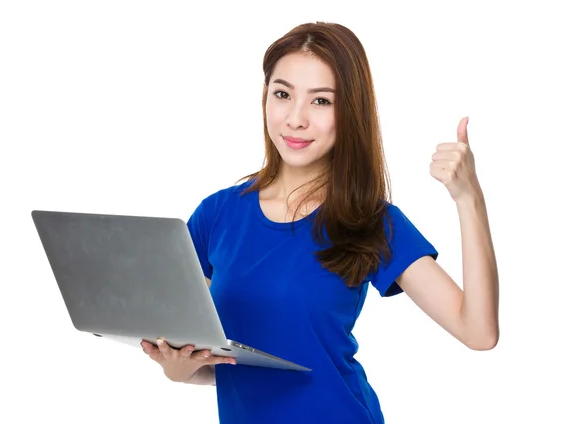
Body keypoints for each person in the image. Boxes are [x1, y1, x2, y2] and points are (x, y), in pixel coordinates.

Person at [140, 21, 499, 423]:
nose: (296, 119)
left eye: (321, 101)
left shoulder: (371, 220)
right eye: (282, 94)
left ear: (350, 112)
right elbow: (216, 360)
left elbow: (479, 332)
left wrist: (470, 200)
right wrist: (179, 370)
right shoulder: (216, 215)